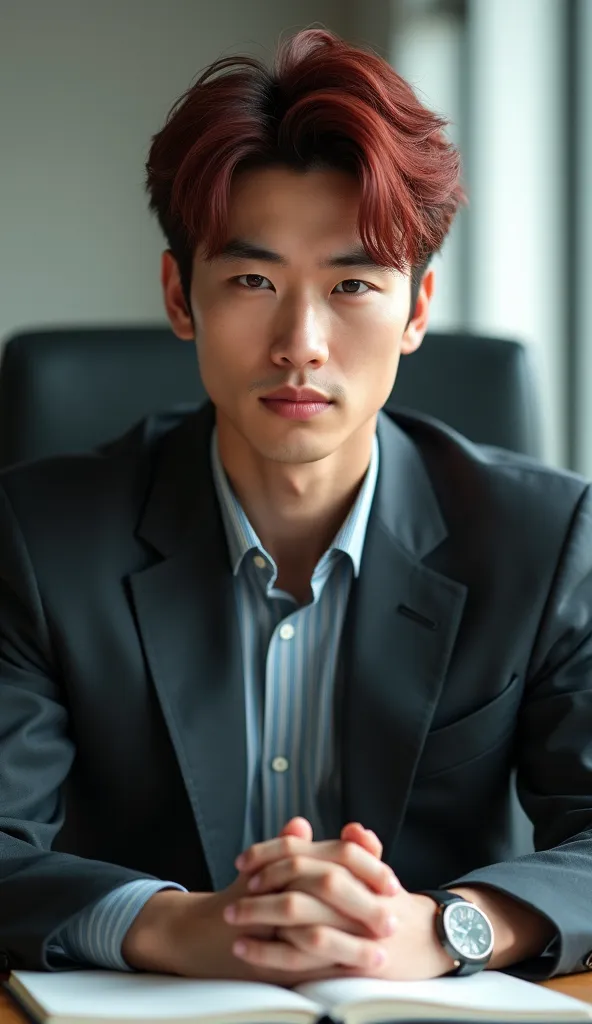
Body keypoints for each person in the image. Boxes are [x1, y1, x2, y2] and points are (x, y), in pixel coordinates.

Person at [0, 26, 591, 986]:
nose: (302, 342)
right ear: (179, 298)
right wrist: (173, 924)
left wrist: (448, 929)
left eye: (353, 283)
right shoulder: (39, 537)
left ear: (417, 311)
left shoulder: (546, 539)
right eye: (252, 280)